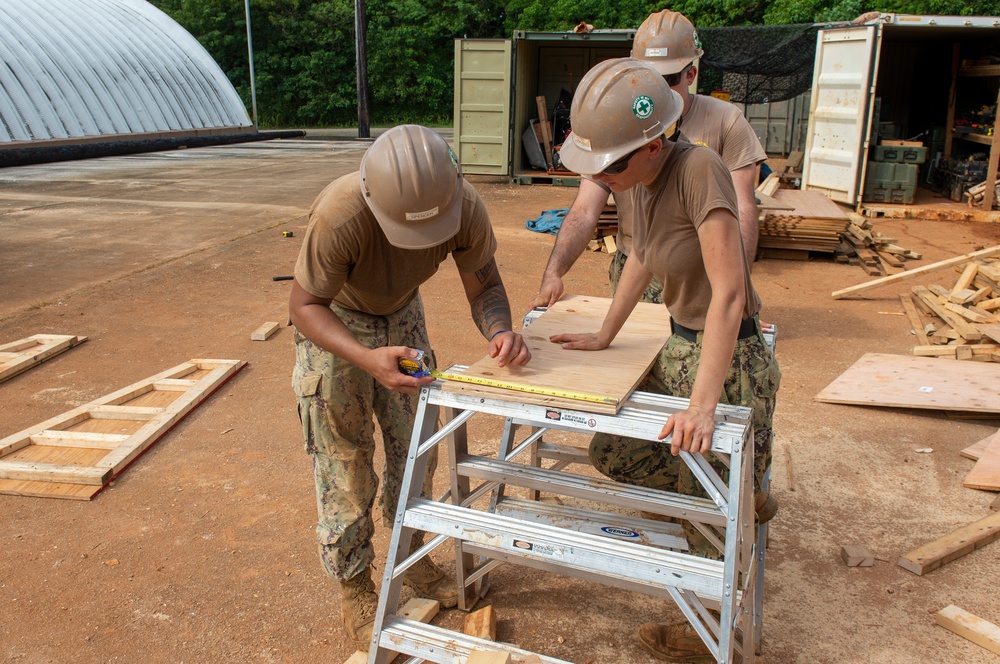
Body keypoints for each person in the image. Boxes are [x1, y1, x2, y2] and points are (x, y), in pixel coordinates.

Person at [552, 58, 780, 662]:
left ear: (653, 145)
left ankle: (709, 632)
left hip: (730, 360)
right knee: (613, 452)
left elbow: (731, 293)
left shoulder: (699, 170)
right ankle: (743, 495)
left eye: (613, 163)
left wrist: (704, 403)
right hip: (679, 345)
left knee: (705, 500)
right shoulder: (641, 185)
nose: (605, 175)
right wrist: (605, 333)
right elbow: (642, 260)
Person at [289, 125, 531, 651]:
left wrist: (500, 330)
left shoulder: (462, 205)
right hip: (338, 327)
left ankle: (413, 560)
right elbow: (304, 308)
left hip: (404, 319)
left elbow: (484, 283)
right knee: (345, 468)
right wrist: (363, 358)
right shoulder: (340, 215)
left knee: (416, 453)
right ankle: (356, 588)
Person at [531, 9, 766, 310]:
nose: (654, 89)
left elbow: (743, 208)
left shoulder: (725, 122)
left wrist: (738, 293)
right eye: (646, 76)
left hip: (700, 273)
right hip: (635, 264)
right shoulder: (616, 124)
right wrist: (554, 272)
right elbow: (585, 210)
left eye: (667, 79)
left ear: (691, 74)